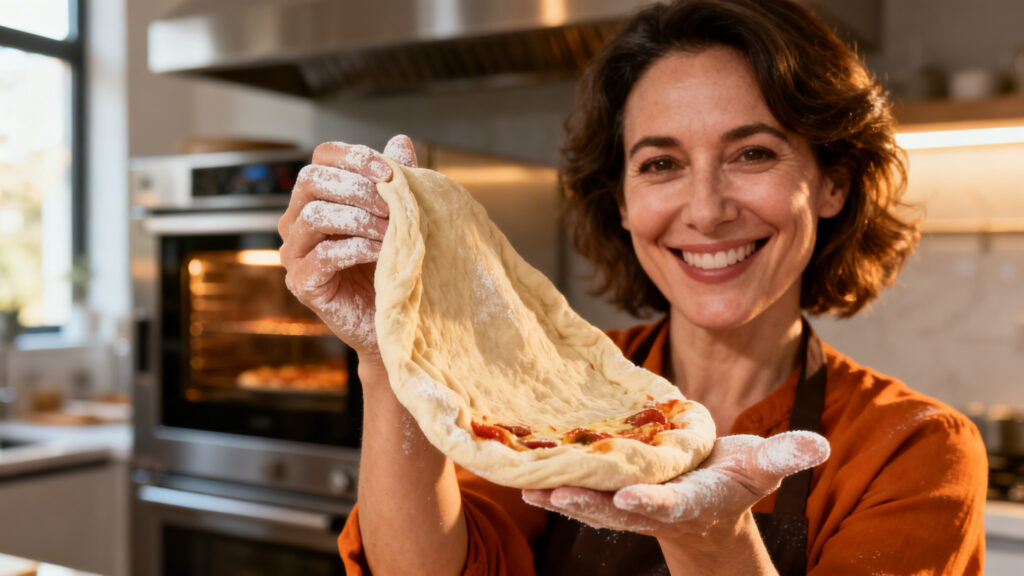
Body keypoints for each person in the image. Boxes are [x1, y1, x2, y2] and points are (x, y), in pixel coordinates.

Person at [277, 0, 987, 574]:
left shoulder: (911, 448)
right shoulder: (537, 389)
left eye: (753, 153)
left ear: (832, 181)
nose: (706, 210)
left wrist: (714, 540)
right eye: (660, 164)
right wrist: (389, 354)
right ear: (619, 200)